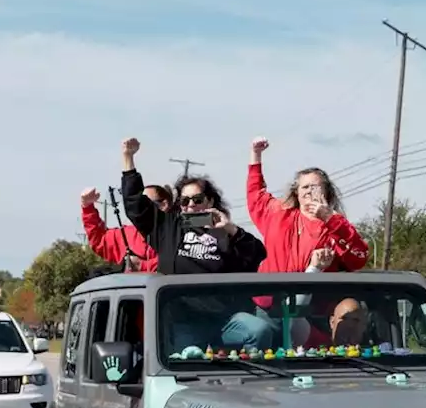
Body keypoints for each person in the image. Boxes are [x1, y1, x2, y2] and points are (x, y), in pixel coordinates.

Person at [120, 137, 273, 352]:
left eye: (197, 199)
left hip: (224, 319)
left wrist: (229, 229)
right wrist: (128, 158)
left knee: (259, 330)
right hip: (183, 320)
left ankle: (248, 379)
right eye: (185, 201)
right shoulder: (168, 228)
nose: (191, 205)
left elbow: (258, 254)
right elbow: (135, 205)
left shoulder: (226, 231)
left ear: (210, 201)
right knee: (188, 360)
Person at [245, 137, 370, 274]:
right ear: (296, 193)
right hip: (272, 291)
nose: (310, 191)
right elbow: (256, 194)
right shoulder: (278, 214)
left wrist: (329, 218)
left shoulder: (336, 225)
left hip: (317, 293)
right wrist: (255, 155)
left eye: (315, 187)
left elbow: (358, 259)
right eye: (305, 187)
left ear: (327, 191)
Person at [80, 185, 169, 272]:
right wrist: (87, 207)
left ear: (164, 205)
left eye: (147, 203)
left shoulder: (176, 232)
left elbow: (179, 261)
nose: (140, 209)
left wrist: (142, 265)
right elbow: (99, 240)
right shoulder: (126, 234)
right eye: (138, 204)